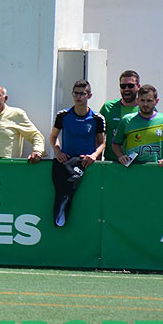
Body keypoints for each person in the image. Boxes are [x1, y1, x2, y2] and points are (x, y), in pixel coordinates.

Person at [48, 79, 106, 227]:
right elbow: (53, 137)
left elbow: (102, 142)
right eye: (76, 93)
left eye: (82, 94)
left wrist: (93, 156)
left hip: (87, 164)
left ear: (89, 95)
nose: (79, 97)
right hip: (66, 163)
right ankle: (60, 215)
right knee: (63, 193)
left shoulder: (97, 118)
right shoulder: (63, 115)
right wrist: (58, 152)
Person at [0, 85, 44, 162]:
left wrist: (37, 151)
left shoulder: (16, 114)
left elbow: (35, 135)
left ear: (5, 98)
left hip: (9, 166)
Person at [113, 85, 163, 166]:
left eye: (149, 100)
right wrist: (120, 156)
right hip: (131, 170)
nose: (145, 104)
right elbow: (115, 144)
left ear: (156, 101)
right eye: (142, 100)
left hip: (156, 170)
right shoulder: (127, 120)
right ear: (137, 101)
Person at [99, 70, 140, 162]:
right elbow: (98, 137)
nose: (126, 89)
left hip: (138, 164)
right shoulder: (108, 108)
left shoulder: (146, 108)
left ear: (138, 87)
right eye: (123, 86)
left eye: (130, 86)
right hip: (112, 163)